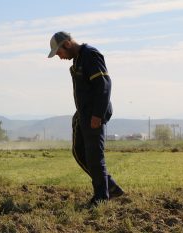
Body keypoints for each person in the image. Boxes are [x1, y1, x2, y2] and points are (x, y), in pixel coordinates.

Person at [48, 31, 124, 206]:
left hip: (94, 115)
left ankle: (101, 197)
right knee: (79, 152)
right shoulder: (78, 59)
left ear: (66, 44)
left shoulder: (90, 55)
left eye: (59, 53)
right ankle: (110, 186)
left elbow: (104, 85)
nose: (60, 57)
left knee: (94, 156)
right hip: (84, 113)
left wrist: (97, 115)